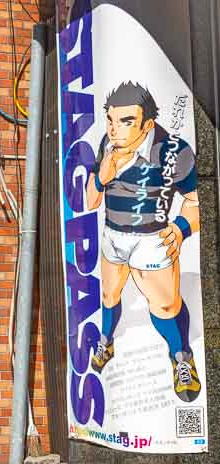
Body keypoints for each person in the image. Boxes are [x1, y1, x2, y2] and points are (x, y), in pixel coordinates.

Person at [85, 81, 200, 402]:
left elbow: (196, 200)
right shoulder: (106, 144)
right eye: (110, 120)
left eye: (125, 122)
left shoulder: (173, 150)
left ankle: (181, 357)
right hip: (113, 234)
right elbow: (90, 201)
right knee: (109, 294)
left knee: (165, 304)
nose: (114, 129)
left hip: (152, 237)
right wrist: (100, 176)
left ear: (147, 124)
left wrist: (179, 229)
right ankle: (106, 339)